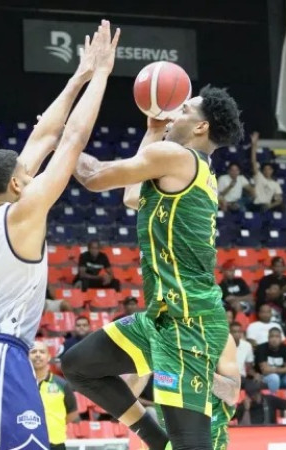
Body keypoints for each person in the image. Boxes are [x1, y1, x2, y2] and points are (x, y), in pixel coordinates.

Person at [0, 22, 119, 450]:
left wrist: (78, 74)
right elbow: (71, 140)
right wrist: (101, 76)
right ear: (19, 184)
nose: (32, 170)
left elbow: (42, 136)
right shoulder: (24, 212)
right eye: (27, 172)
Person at [62, 78, 244, 449]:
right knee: (78, 366)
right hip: (162, 315)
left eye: (185, 109)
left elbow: (95, 177)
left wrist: (62, 136)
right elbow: (132, 195)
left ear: (200, 126)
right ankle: (155, 440)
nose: (175, 111)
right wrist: (153, 131)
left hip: (187, 320)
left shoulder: (178, 158)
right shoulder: (194, 168)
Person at [31, 341, 79, 450]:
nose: (38, 354)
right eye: (33, 352)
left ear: (48, 357)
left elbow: (72, 413)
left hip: (56, 444)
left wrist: (55, 424)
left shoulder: (62, 384)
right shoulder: (21, 385)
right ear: (27, 357)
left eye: (42, 352)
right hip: (29, 442)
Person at [248, 131, 283, 212]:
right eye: (265, 169)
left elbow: (278, 199)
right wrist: (254, 144)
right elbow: (253, 161)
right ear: (263, 171)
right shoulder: (259, 177)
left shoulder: (275, 184)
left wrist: (270, 205)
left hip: (267, 206)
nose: (267, 171)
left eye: (269, 169)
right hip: (256, 205)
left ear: (272, 171)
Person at [254, 328, 286, 392]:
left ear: (281, 338)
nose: (274, 339)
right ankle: (273, 398)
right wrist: (283, 369)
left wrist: (273, 370)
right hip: (265, 377)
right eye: (272, 336)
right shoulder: (261, 348)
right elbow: (265, 371)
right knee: (274, 377)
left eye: (277, 337)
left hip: (281, 377)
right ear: (268, 338)